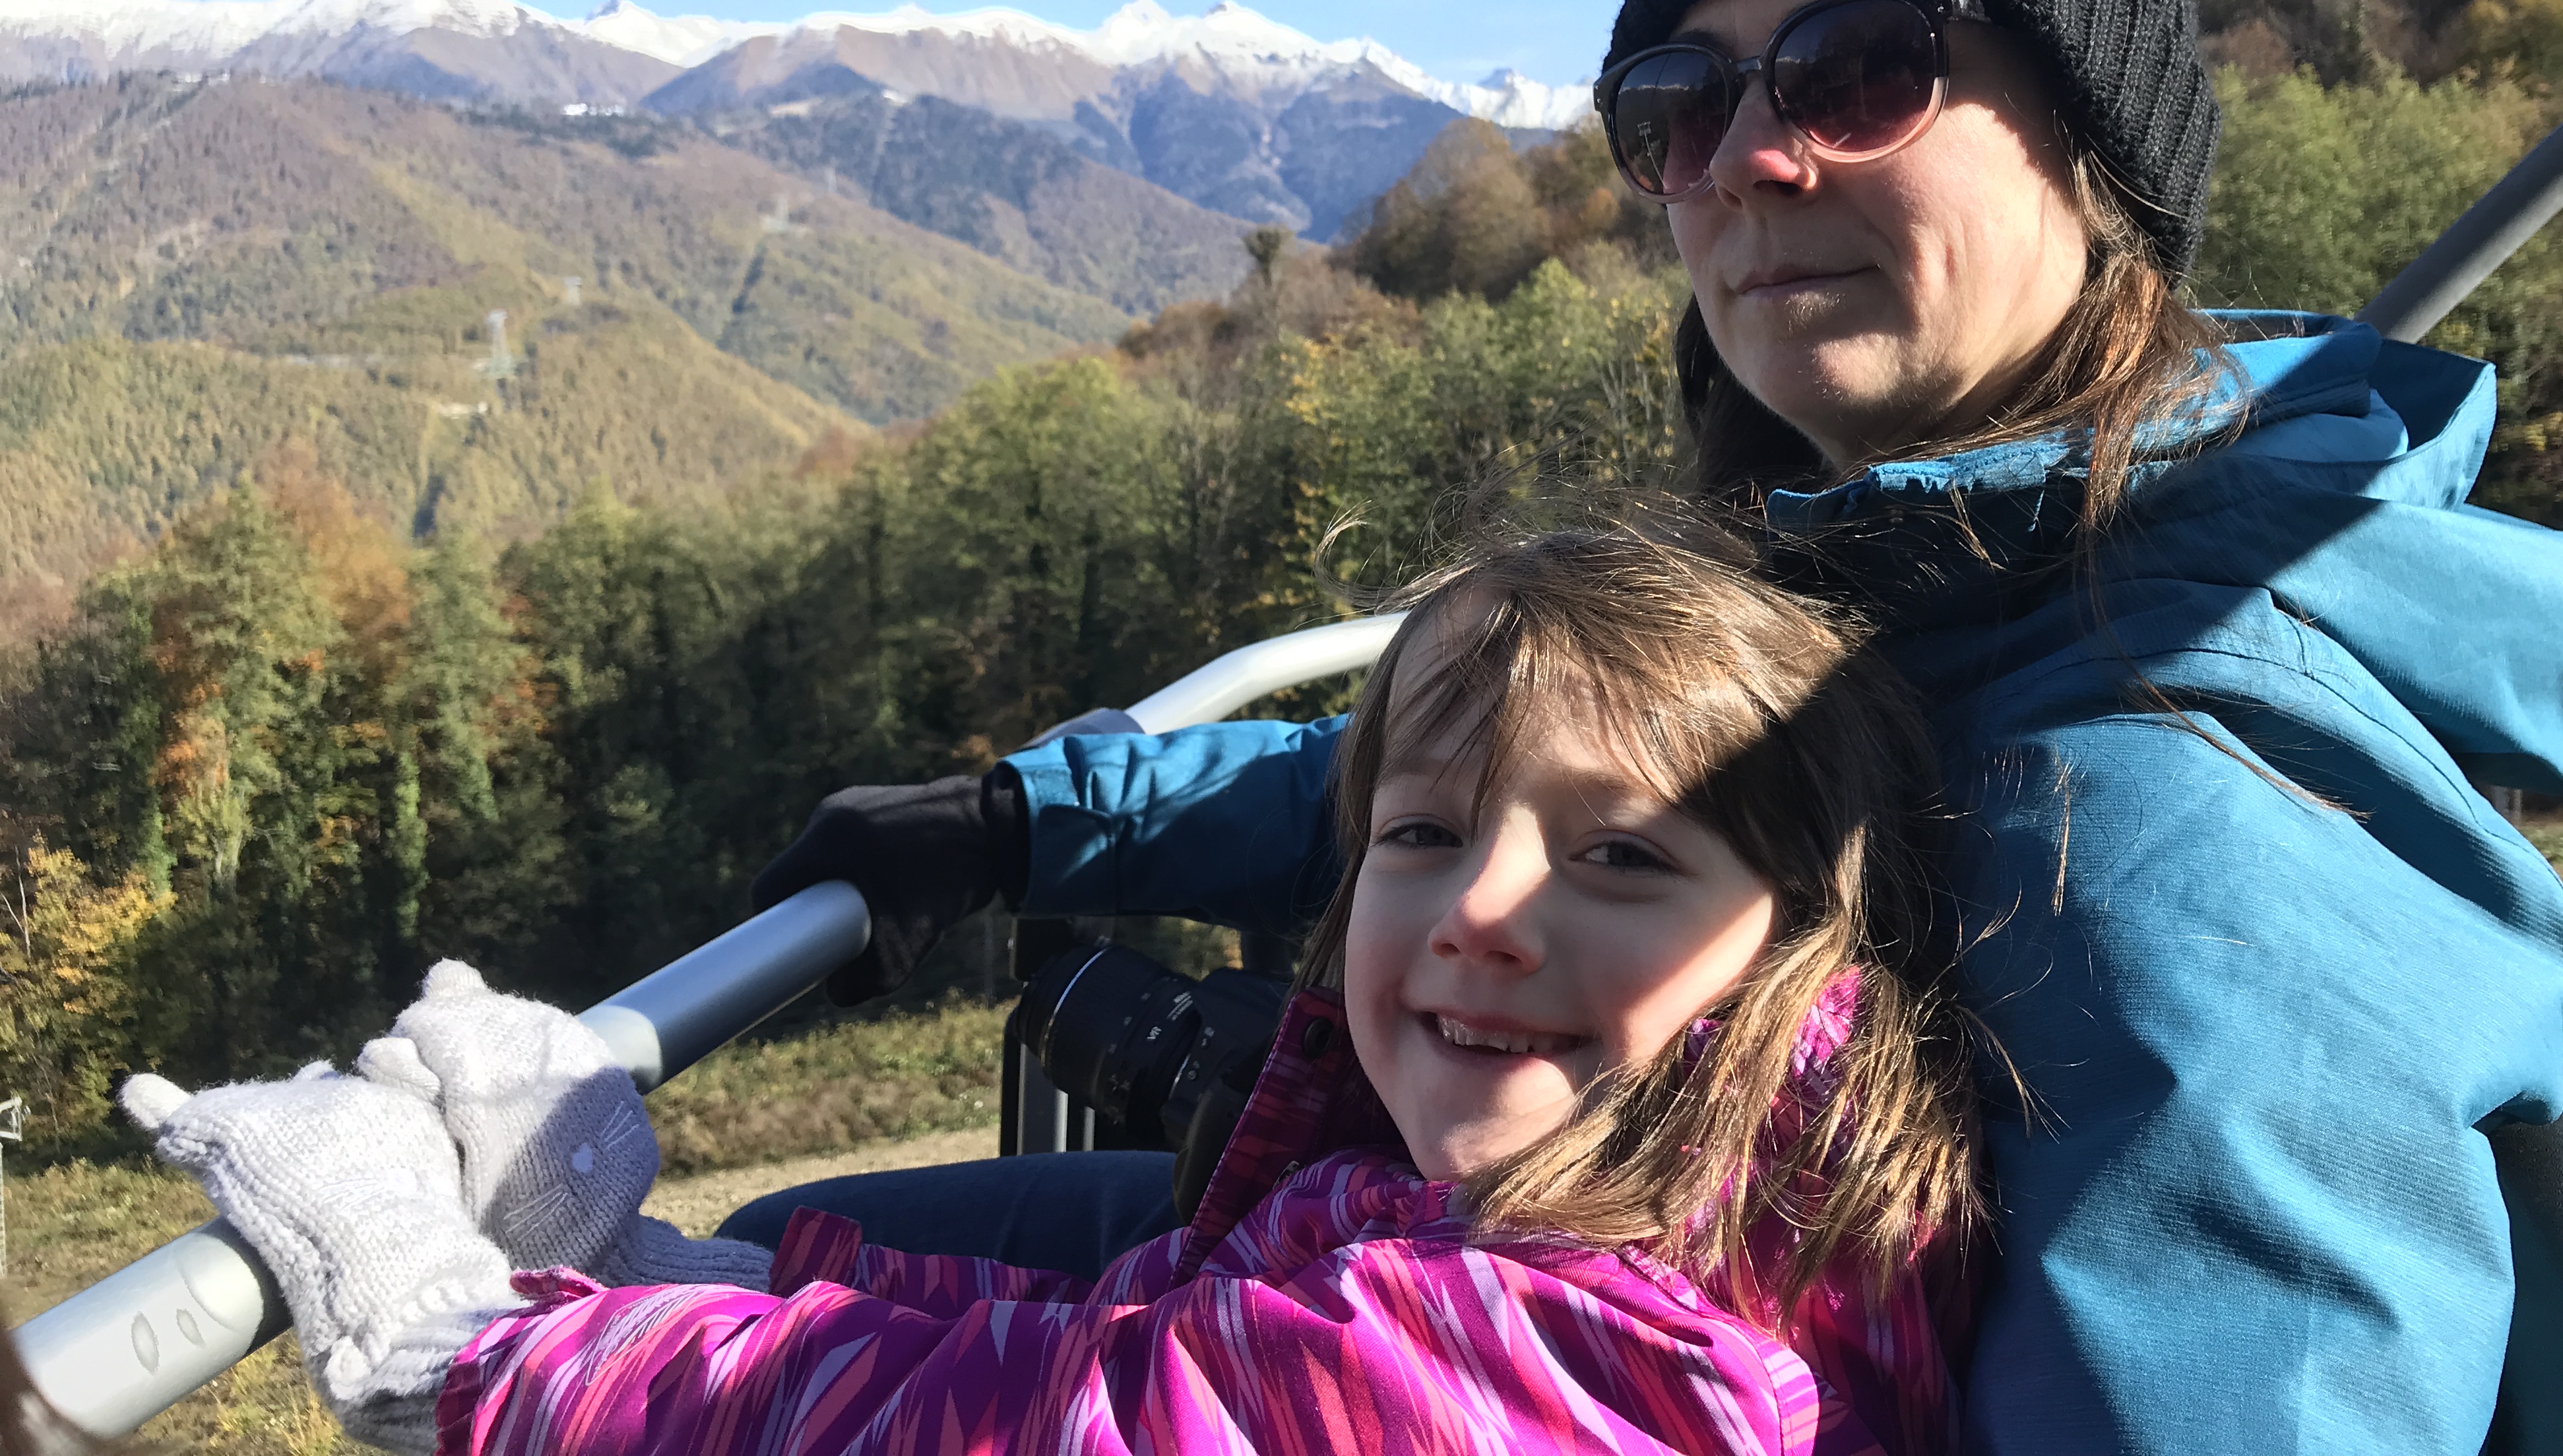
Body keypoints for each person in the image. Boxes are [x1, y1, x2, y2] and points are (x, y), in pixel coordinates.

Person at [744, 0, 2563, 1455]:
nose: (1748, 161)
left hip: (1616, 1327)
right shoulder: (1922, 576)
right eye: (1682, 103)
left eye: (1862, 70)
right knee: (779, 1252)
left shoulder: (2174, 828)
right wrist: (1031, 820)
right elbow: (1520, 798)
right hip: (1599, 1271)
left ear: (2093, 150)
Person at [125, 522, 1981, 1454]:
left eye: (1624, 856)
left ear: (1809, 933)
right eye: (1418, 832)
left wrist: (460, 1349)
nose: (1480, 909)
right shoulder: (1665, 1212)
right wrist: (638, 1260)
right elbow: (1124, 1342)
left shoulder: (1572, 1355)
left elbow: (1018, 1430)